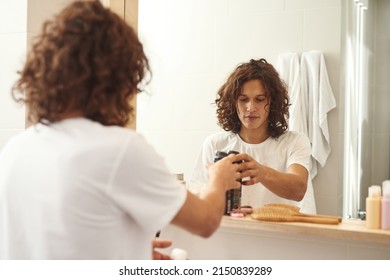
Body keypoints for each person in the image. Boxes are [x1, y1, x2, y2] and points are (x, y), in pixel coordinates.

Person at [0, 1, 247, 260]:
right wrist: (219, 178)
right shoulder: (118, 149)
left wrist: (126, 249)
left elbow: (52, 241)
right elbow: (205, 221)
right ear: (119, 75)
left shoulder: (16, 149)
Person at [190, 58, 316, 214]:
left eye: (260, 99)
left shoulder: (295, 142)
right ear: (233, 103)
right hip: (233, 233)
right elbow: (198, 197)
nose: (251, 107)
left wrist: (261, 172)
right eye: (243, 100)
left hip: (282, 235)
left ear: (273, 102)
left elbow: (298, 190)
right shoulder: (215, 144)